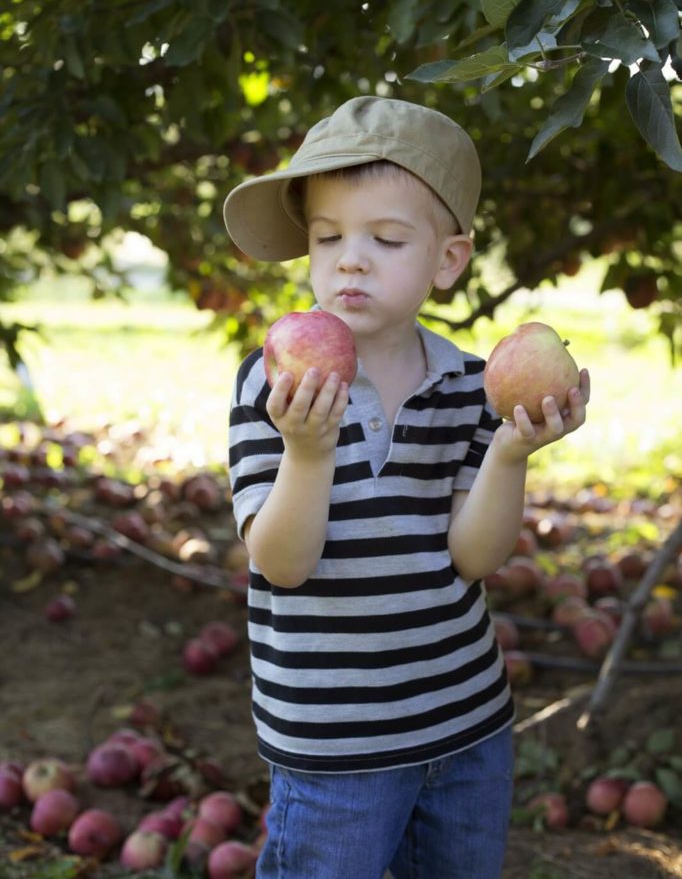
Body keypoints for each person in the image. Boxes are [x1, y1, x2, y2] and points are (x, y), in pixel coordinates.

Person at [223, 95, 589, 879]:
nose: (349, 259)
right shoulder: (274, 383)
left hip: (465, 728)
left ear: (447, 261)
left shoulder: (469, 385)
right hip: (334, 747)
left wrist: (511, 454)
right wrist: (309, 453)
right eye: (327, 239)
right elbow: (281, 563)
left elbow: (474, 557)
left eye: (385, 239)